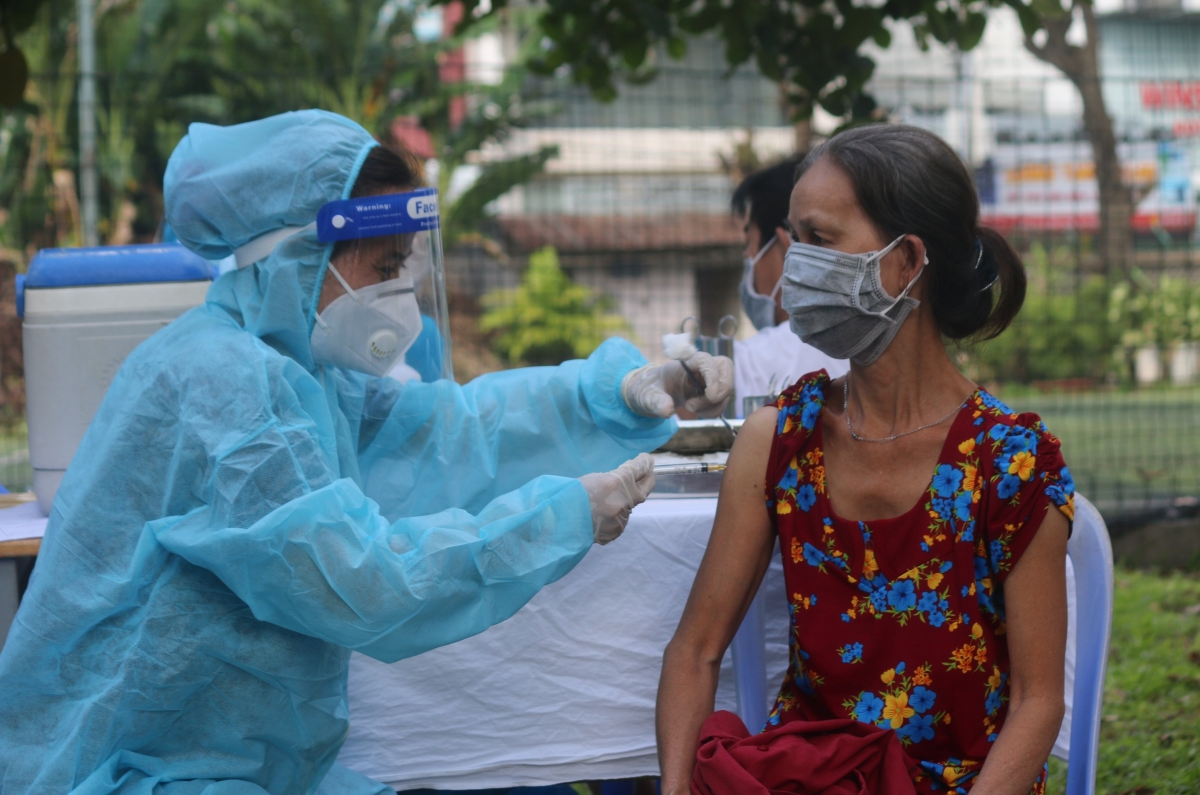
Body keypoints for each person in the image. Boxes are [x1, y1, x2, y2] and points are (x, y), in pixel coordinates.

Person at [0, 110, 732, 795]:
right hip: (124, 767)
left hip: (234, 765)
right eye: (385, 265)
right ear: (297, 253)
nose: (398, 289)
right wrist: (563, 517)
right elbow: (362, 582)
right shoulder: (226, 384)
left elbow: (450, 431)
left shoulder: (298, 372)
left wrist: (615, 394)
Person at [657, 124, 1076, 795]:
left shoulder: (1011, 464)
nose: (794, 270)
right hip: (809, 779)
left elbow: (1037, 701)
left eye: (820, 240)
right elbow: (695, 650)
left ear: (907, 262)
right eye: (794, 240)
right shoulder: (780, 440)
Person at [733, 159, 849, 415]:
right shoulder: (876, 342)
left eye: (750, 243)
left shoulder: (750, 363)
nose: (748, 257)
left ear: (789, 247)